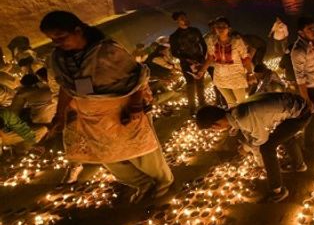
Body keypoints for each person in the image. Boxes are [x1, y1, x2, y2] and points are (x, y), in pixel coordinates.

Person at [40, 10, 173, 203]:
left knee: (142, 152)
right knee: (106, 156)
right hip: (90, 116)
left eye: (61, 37)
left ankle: (164, 183)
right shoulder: (60, 58)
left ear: (78, 30)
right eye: (52, 39)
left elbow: (138, 77)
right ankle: (142, 183)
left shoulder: (107, 51)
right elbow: (67, 87)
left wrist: (135, 105)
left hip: (123, 109)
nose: (57, 43)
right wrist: (60, 115)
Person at [195, 93, 311, 202]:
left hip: (300, 113)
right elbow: (251, 135)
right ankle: (299, 165)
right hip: (296, 106)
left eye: (212, 129)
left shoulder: (243, 117)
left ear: (216, 125)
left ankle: (278, 190)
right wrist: (252, 152)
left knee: (267, 147)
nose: (216, 131)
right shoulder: (236, 111)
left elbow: (260, 140)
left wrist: (247, 150)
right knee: (284, 136)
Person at [196, 17, 254, 108]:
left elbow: (245, 58)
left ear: (229, 28)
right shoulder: (211, 41)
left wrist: (250, 73)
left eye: (224, 26)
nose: (221, 29)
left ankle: (246, 120)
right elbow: (210, 58)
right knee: (231, 103)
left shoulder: (236, 41)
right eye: (218, 26)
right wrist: (201, 71)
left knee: (242, 103)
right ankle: (234, 120)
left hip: (236, 76)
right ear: (215, 28)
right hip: (220, 77)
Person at [291, 17, 314, 145]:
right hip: (311, 90)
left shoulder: (313, 43)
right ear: (300, 32)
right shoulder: (298, 51)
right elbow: (300, 79)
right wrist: (307, 100)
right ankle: (309, 146)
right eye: (309, 29)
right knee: (309, 118)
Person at [169, 11, 207, 115]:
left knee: (200, 83)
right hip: (186, 64)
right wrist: (186, 59)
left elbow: (203, 44)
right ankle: (192, 109)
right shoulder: (174, 36)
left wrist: (202, 57)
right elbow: (174, 52)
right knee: (190, 84)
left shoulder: (195, 31)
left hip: (199, 61)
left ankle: (203, 104)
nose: (185, 20)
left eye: (185, 18)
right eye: (182, 18)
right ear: (177, 21)